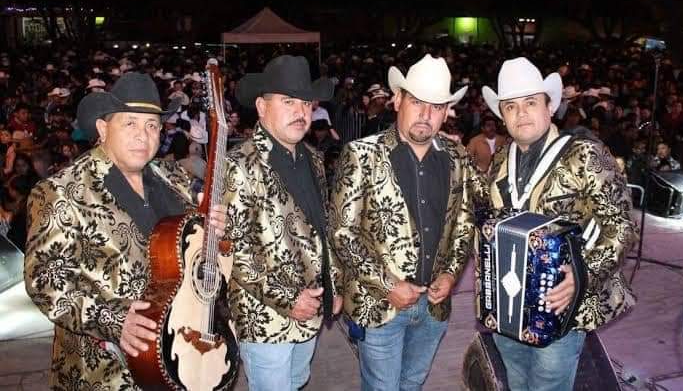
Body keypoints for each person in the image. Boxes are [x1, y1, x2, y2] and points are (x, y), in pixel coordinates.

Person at [23, 72, 227, 389]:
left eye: (152, 126)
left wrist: (214, 230)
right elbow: (45, 281)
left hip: (183, 351)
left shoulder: (174, 178)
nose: (143, 136)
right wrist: (113, 319)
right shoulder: (62, 191)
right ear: (103, 129)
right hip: (107, 371)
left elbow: (194, 250)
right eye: (130, 123)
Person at [330, 54, 487, 390]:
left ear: (447, 112)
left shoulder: (457, 157)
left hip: (434, 307)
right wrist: (389, 285)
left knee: (412, 384)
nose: (426, 114)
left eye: (436, 106)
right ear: (398, 100)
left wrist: (451, 274)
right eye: (417, 102)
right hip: (380, 304)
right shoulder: (361, 154)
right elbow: (342, 234)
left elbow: (463, 222)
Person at [481, 57, 637, 391]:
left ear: (549, 107)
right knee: (516, 380)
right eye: (511, 106)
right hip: (508, 305)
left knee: (548, 385)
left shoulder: (585, 154)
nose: (521, 113)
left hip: (563, 305)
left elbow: (622, 225)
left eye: (530, 102)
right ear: (502, 116)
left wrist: (581, 275)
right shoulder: (499, 160)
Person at [224, 55, 343, 390]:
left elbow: (322, 227)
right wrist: (289, 300)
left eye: (306, 103)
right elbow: (232, 250)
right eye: (288, 101)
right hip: (266, 319)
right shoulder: (237, 165)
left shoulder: (314, 158)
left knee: (298, 381)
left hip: (312, 310)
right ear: (262, 107)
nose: (300, 111)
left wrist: (333, 285)